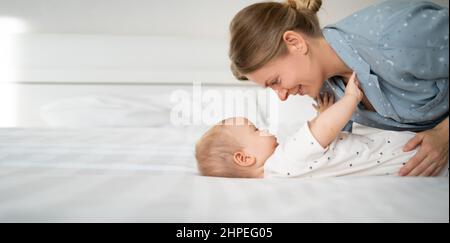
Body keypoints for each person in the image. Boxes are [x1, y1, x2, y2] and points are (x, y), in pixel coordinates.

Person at [228, 0, 449, 176]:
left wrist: (444, 133)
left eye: (275, 81)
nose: (282, 96)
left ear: (295, 43)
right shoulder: (323, 90)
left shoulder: (395, 36)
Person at [195, 73, 448, 178]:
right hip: (408, 153)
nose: (266, 130)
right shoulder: (282, 160)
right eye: (256, 131)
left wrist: (325, 115)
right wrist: (349, 99)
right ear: (244, 157)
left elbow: (319, 144)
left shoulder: (282, 173)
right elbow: (319, 133)